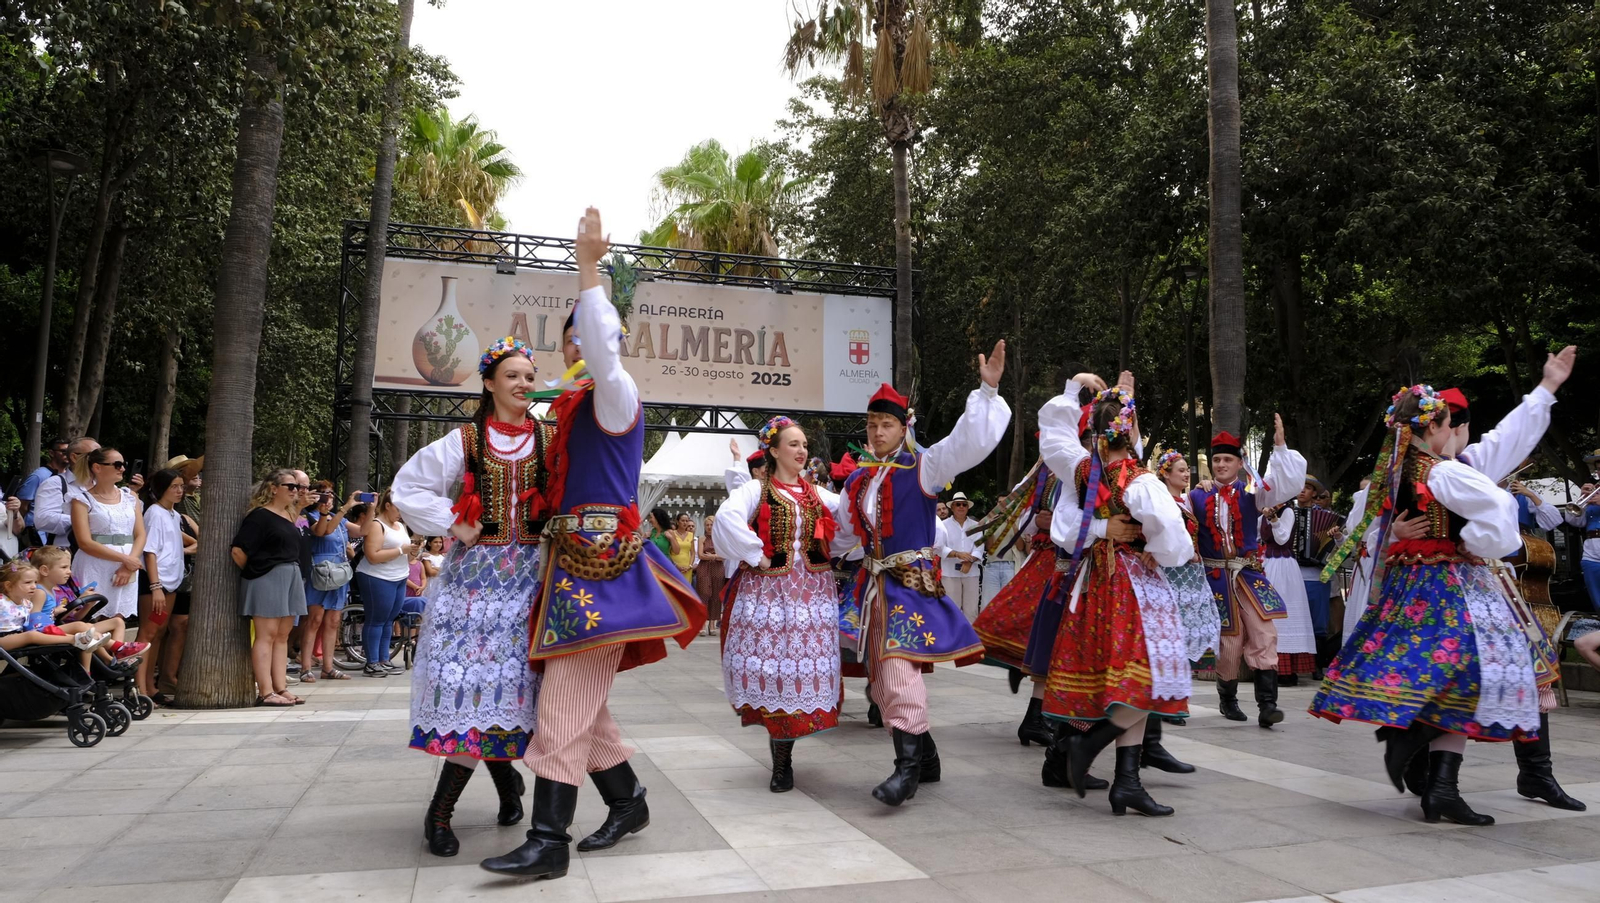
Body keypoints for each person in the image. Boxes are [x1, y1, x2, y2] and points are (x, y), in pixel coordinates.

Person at [482, 208, 705, 879]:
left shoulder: (616, 395)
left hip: (605, 571)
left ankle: (549, 838)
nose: (576, 347)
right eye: (569, 338)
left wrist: (588, 272)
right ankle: (627, 797)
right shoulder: (569, 406)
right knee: (581, 699)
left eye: (585, 334)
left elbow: (605, 349)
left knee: (561, 703)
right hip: (571, 569)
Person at [1311, 384, 1531, 826]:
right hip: (1445, 581)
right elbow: (1498, 508)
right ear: (1432, 425)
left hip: (1412, 581)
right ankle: (1425, 761)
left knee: (1452, 674)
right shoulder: (1439, 470)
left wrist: (1394, 536)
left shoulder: (1398, 468)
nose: (1451, 434)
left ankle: (1436, 780)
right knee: (1474, 671)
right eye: (1448, 425)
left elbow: (1370, 527)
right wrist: (1476, 541)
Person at [392, 335, 552, 857]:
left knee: (511, 689)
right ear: (489, 383)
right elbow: (407, 488)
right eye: (513, 375)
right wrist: (454, 523)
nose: (524, 384)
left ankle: (506, 783)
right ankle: (440, 815)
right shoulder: (465, 440)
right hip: (473, 589)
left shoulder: (549, 439)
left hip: (530, 584)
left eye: (529, 376)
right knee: (472, 687)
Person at [833, 345, 1009, 808]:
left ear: (903, 426)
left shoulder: (923, 466)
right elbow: (841, 535)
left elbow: (963, 444)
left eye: (885, 424)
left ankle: (906, 769)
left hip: (910, 584)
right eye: (871, 425)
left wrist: (987, 391)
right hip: (873, 589)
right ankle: (926, 757)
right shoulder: (859, 481)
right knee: (879, 679)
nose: (876, 432)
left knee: (895, 669)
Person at [1031, 375, 1192, 817]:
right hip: (1132, 584)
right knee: (1143, 681)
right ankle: (1093, 748)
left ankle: (1126, 782)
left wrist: (1070, 390)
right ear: (1131, 430)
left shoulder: (1081, 469)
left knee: (1127, 682)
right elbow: (1175, 538)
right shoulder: (1141, 481)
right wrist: (1156, 551)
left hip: (1093, 583)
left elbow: (1055, 439)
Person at [714, 416, 843, 793]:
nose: (802, 451)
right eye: (793, 444)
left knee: (798, 676)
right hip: (770, 599)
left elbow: (850, 517)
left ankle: (785, 756)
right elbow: (726, 519)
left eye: (804, 445)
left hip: (812, 600)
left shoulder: (819, 494)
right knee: (776, 673)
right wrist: (757, 555)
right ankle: (781, 763)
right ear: (772, 450)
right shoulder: (756, 490)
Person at [1190, 420, 1307, 727]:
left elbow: (1282, 487)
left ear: (1240, 464)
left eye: (1227, 459)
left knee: (1265, 633)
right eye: (1216, 460)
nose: (1221, 464)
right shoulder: (1197, 496)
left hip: (1249, 574)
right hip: (1214, 577)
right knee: (1230, 644)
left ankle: (1267, 705)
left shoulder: (1253, 493)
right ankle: (1227, 698)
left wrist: (1280, 447)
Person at [232, 470, 310, 707]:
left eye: (297, 487)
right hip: (267, 577)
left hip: (290, 575)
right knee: (266, 635)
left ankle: (280, 687)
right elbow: (238, 550)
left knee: (282, 635)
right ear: (274, 488)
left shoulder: (288, 515)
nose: (295, 490)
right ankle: (265, 691)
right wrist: (259, 571)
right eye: (290, 486)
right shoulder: (259, 516)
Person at [69, 447, 146, 621]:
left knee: (118, 618)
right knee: (92, 618)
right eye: (117, 465)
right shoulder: (81, 499)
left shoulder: (130, 496)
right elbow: (84, 542)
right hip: (95, 563)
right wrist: (126, 560)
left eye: (123, 464)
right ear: (97, 467)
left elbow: (140, 534)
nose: (123, 469)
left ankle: (115, 648)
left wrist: (128, 564)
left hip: (127, 564)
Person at [298, 483, 359, 682]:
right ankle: (306, 667)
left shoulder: (339, 519)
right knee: (314, 619)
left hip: (339, 572)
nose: (328, 499)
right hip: (321, 571)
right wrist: (344, 508)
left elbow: (362, 531)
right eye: (324, 495)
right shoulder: (311, 517)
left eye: (331, 495)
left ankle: (328, 667)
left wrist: (372, 508)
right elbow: (323, 531)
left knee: (333, 621)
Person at [138, 469, 188, 702]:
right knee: (147, 633)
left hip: (171, 582)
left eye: (181, 486)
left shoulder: (174, 515)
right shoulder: (155, 513)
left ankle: (151, 685)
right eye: (174, 486)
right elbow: (150, 552)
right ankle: (139, 688)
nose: (179, 491)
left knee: (158, 633)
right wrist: (155, 586)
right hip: (156, 584)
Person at [354, 489, 416, 678]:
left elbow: (406, 551)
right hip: (377, 577)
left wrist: (412, 549)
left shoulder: (400, 525)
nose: (401, 512)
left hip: (398, 576)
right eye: (398, 507)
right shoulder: (376, 525)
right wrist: (400, 550)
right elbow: (373, 556)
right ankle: (371, 662)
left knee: (389, 619)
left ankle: (383, 659)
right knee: (376, 619)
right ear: (387, 505)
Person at [1260, 500, 1317, 685]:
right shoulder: (1262, 514)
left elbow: (1282, 539)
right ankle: (1267, 665)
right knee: (1266, 612)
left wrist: (1274, 519)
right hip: (1266, 563)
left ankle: (1287, 670)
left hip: (1284, 566)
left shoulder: (1288, 512)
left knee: (1286, 613)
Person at [939, 492, 984, 621]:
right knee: (953, 608)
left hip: (971, 571)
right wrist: (957, 554)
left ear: (968, 507)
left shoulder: (976, 525)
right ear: (952, 507)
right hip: (950, 572)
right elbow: (939, 547)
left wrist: (969, 561)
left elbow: (979, 546)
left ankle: (970, 639)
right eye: (957, 504)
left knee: (972, 609)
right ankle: (954, 639)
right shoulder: (943, 525)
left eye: (964, 504)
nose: (961, 507)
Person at [17, 438, 70, 542]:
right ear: (51, 453)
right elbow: (23, 505)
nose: (67, 455)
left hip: (58, 530)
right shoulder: (39, 476)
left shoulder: (69, 476)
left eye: (69, 451)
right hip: (36, 533)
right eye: (63, 451)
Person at [695, 515, 725, 637]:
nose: (709, 527)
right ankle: (702, 623)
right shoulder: (702, 538)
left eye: (711, 525)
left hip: (717, 569)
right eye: (707, 525)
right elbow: (701, 555)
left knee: (716, 595)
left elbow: (723, 556)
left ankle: (712, 623)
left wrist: (712, 556)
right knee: (704, 593)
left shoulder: (721, 539)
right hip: (704, 568)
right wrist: (715, 556)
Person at [665, 513, 698, 582]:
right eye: (683, 521)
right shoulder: (672, 533)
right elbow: (668, 551)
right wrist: (675, 565)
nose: (685, 523)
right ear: (677, 522)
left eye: (687, 521)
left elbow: (692, 553)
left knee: (686, 589)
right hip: (674, 566)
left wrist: (690, 566)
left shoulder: (690, 534)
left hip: (687, 567)